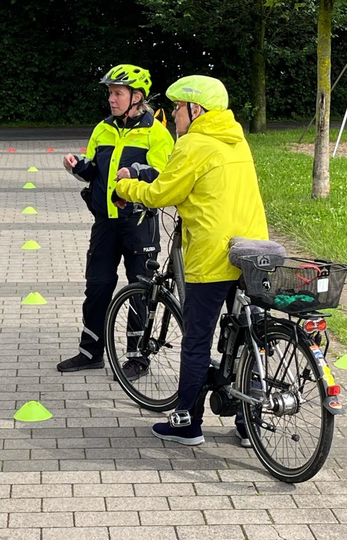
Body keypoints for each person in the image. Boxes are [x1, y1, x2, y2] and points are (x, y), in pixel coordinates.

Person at [113, 75, 269, 446]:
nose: (173, 116)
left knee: (197, 340)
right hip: (253, 249)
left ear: (195, 110)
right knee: (250, 335)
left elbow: (163, 192)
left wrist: (124, 186)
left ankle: (187, 423)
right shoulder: (235, 137)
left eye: (177, 108)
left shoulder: (195, 144)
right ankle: (252, 425)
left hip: (213, 254)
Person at [57, 64, 175, 379]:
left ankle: (137, 356)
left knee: (139, 290)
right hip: (105, 223)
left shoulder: (157, 133)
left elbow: (165, 175)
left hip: (138, 222)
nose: (111, 98)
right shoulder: (103, 128)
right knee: (96, 288)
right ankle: (90, 352)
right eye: (110, 93)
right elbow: (94, 167)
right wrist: (77, 165)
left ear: (137, 97)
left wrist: (137, 171)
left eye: (118, 93)